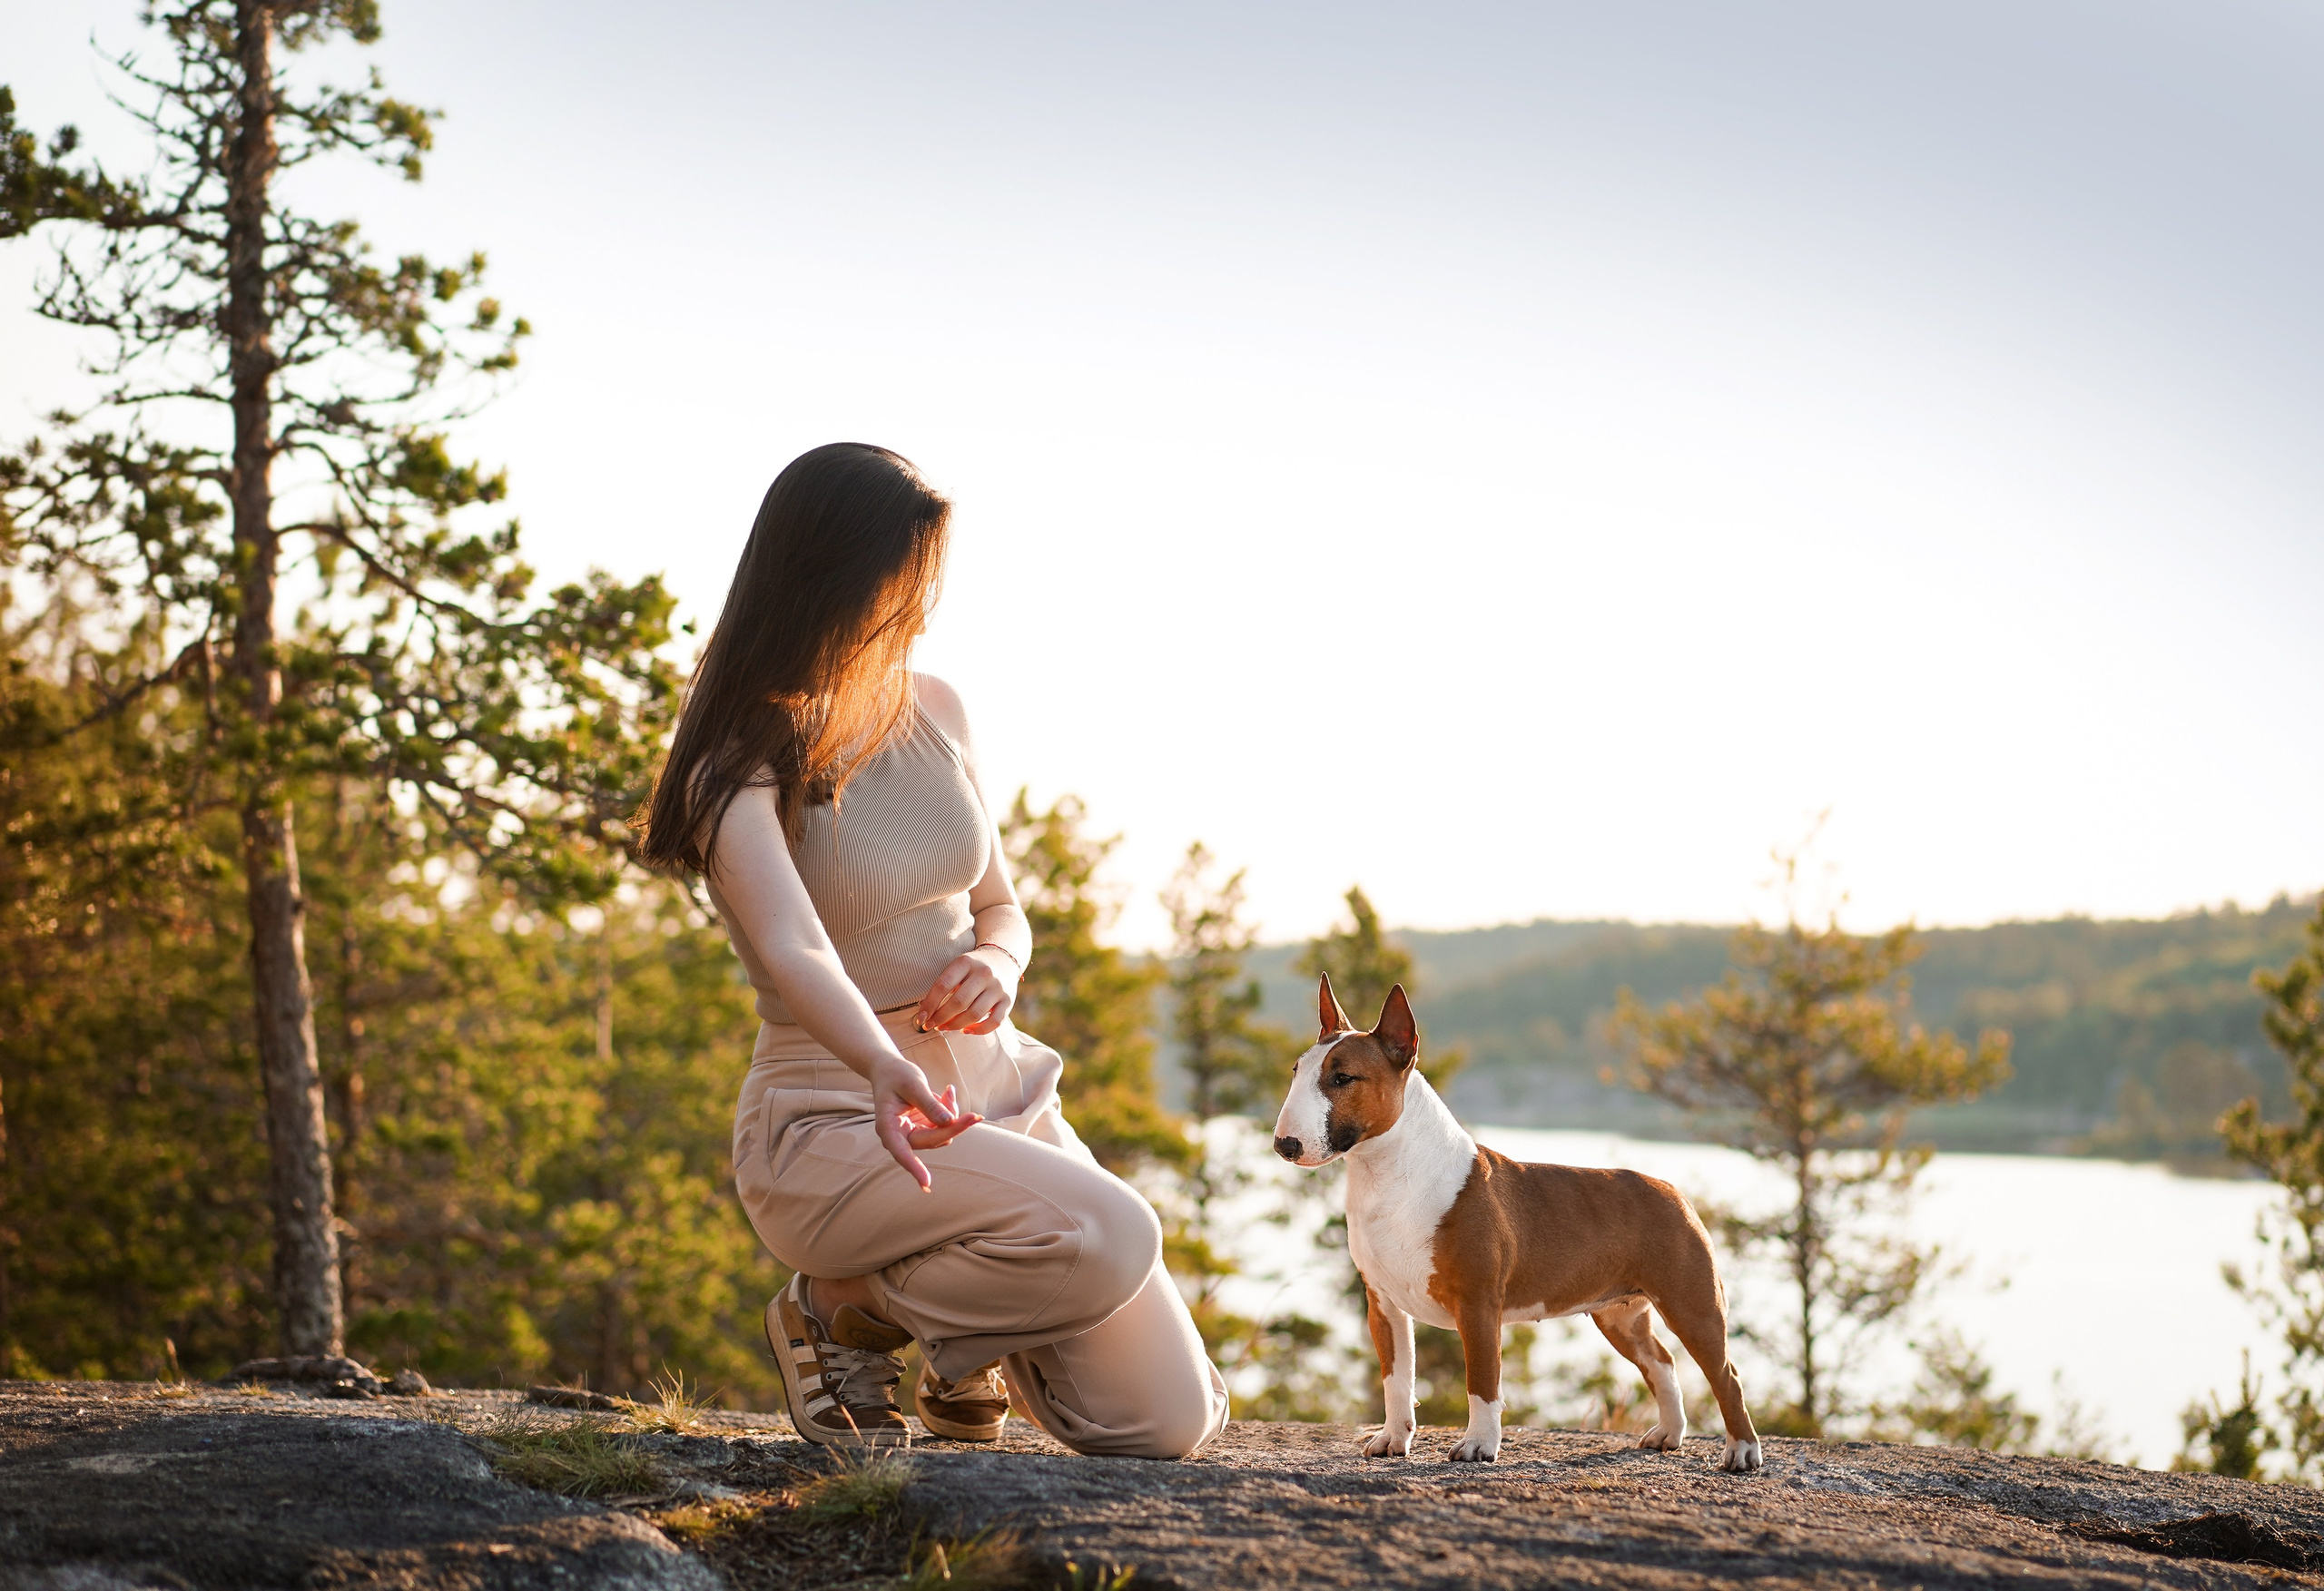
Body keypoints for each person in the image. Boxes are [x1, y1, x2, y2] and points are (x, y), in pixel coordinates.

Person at [635, 443, 1227, 1459]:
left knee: (1170, 1421)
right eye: (901, 579)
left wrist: (996, 965)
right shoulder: (737, 754)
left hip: (991, 1092)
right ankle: (836, 1307)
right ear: (833, 574)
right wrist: (879, 1061)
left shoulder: (937, 708)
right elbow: (793, 946)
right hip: (834, 1111)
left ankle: (961, 1343)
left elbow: (1000, 906)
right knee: (1117, 1234)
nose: (917, 605)